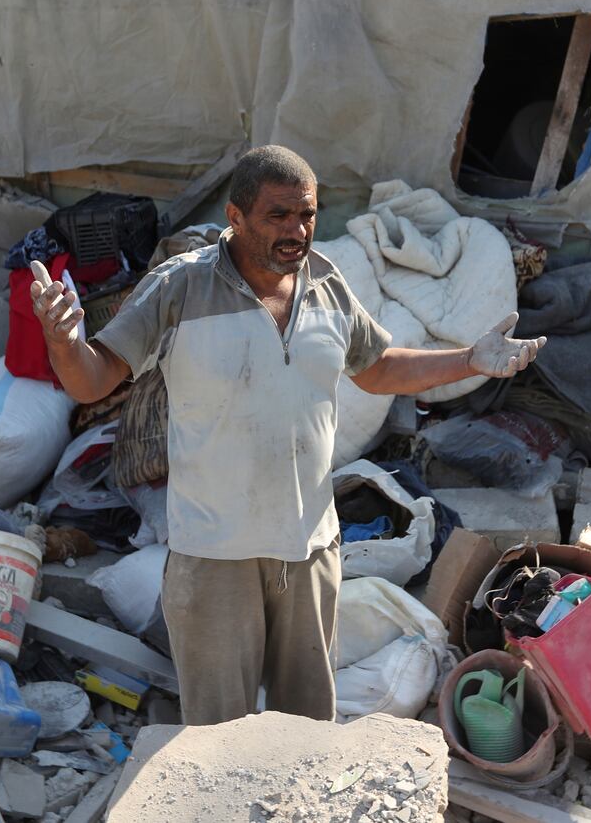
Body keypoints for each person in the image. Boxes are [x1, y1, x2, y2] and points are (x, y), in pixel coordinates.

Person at [30, 145, 544, 725]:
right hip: (214, 555)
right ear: (235, 217)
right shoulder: (179, 288)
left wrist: (472, 358)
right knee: (218, 731)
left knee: (305, 729)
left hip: (308, 551)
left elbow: (379, 369)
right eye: (278, 215)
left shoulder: (326, 284)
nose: (296, 230)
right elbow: (93, 379)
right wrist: (64, 342)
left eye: (307, 214)